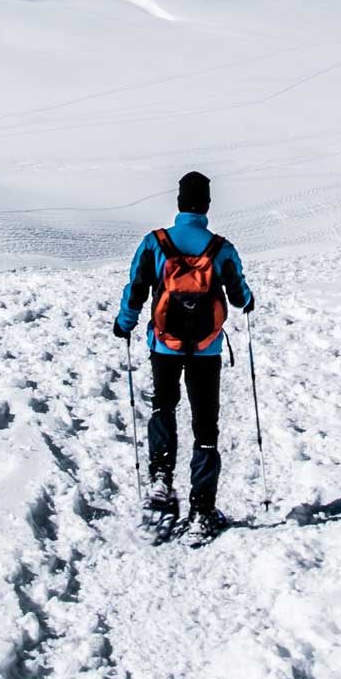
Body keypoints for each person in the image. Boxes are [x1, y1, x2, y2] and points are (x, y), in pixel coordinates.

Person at [115, 170, 255, 541]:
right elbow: (240, 294)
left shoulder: (155, 243)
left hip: (164, 344)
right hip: (206, 349)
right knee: (205, 426)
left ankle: (161, 480)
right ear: (206, 205)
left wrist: (124, 323)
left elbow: (137, 288)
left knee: (164, 405)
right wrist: (248, 300)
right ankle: (202, 511)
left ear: (179, 204)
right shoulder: (220, 248)